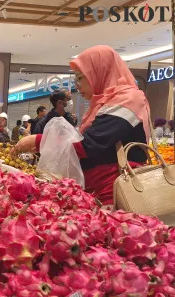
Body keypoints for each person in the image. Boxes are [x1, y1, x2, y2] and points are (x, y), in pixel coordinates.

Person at [14, 45, 150, 205]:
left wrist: (39, 141)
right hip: (97, 191)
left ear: (100, 71)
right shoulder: (104, 102)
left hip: (116, 194)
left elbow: (90, 144)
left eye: (80, 78)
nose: (77, 86)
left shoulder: (128, 99)